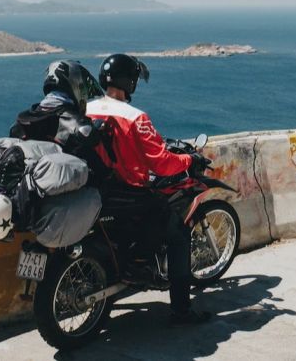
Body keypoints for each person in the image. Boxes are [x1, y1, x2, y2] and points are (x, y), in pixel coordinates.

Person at [87, 53, 211, 325]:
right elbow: (162, 163)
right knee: (179, 235)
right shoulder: (135, 117)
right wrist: (190, 159)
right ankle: (181, 310)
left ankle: (137, 265)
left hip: (97, 192)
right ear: (128, 82)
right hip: (130, 194)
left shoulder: (86, 109)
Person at [10, 59, 108, 182]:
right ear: (75, 84)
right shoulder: (77, 126)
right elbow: (100, 170)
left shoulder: (23, 122)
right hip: (66, 195)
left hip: (27, 187)